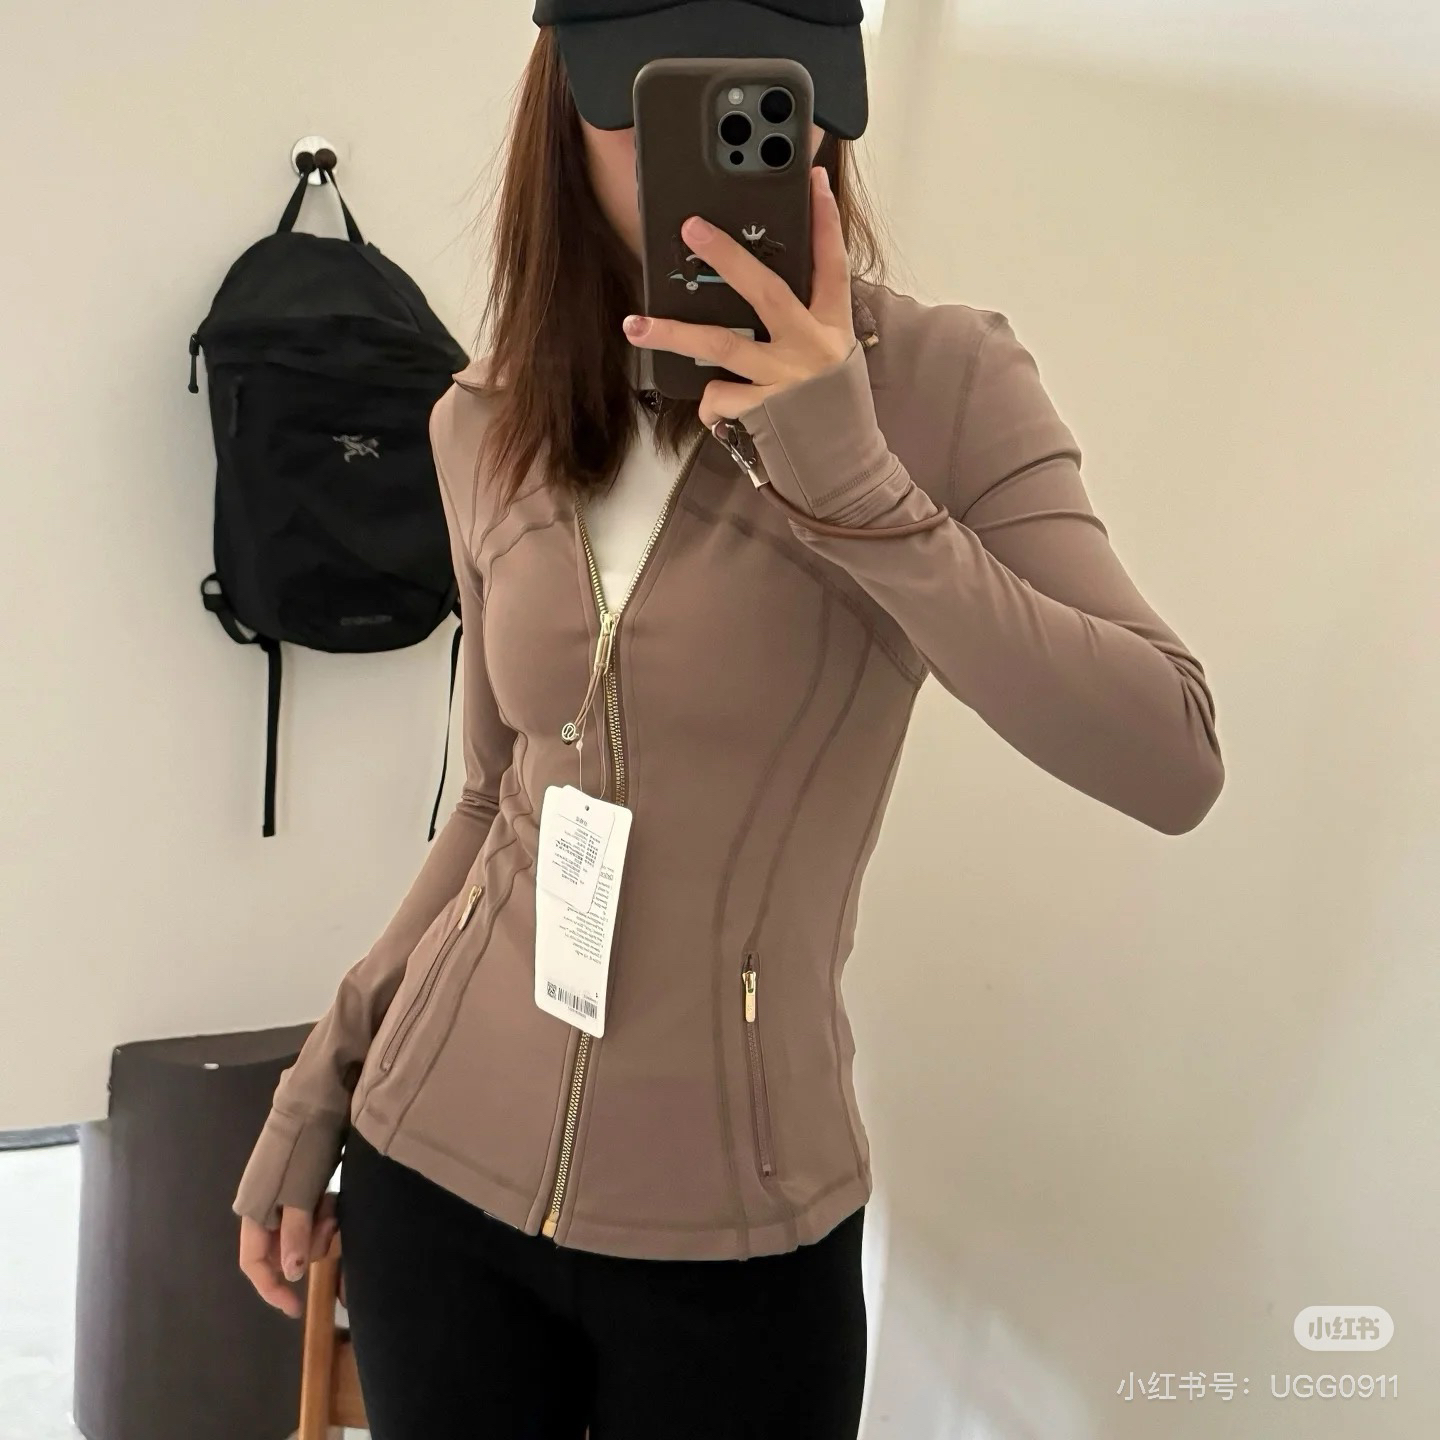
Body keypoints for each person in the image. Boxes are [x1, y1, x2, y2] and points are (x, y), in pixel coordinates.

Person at [235, 1, 1226, 1435]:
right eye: (647, 100)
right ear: (559, 111)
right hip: (430, 1177)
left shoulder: (942, 386)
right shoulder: (487, 416)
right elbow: (493, 801)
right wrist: (320, 1078)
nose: (696, 153)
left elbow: (1173, 756)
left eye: (766, 99)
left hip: (739, 1244)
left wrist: (855, 482)